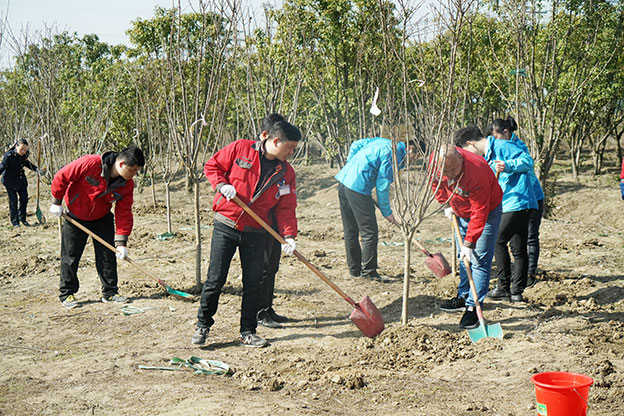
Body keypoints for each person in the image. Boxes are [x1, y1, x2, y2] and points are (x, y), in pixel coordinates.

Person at [192, 120, 301, 348]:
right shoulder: (240, 148)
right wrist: (222, 185)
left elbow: (286, 207)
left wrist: (289, 236)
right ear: (275, 140)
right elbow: (212, 166)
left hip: (256, 231)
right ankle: (203, 325)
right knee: (215, 279)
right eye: (290, 147)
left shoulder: (286, 173)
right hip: (226, 224)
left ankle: (248, 331)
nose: (292, 152)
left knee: (253, 283)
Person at [49, 146, 145, 309]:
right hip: (75, 217)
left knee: (106, 255)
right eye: (133, 170)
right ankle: (67, 293)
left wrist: (121, 242)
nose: (134, 174)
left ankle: (110, 292)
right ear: (122, 164)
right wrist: (56, 201)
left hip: (102, 218)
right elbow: (62, 176)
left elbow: (124, 212)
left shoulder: (127, 185)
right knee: (71, 256)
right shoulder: (90, 164)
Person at [433, 128, 502, 330]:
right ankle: (463, 297)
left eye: (454, 171)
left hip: (487, 212)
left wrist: (470, 242)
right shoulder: (435, 165)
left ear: (461, 158)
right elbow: (435, 183)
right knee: (463, 259)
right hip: (459, 211)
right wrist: (446, 204)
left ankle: (473, 308)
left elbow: (480, 212)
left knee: (478, 258)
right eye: (446, 173)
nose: (451, 176)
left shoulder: (477, 170)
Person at [335, 137, 416, 280]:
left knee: (351, 230)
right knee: (369, 232)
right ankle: (369, 273)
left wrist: (351, 165)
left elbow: (356, 144)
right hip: (358, 187)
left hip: (344, 180)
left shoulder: (383, 141)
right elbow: (382, 185)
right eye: (417, 155)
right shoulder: (394, 153)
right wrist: (387, 212)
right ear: (410, 149)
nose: (415, 160)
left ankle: (354, 270)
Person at [483, 118, 538, 303]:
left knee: (498, 240)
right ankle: (516, 292)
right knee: (518, 248)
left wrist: (508, 166)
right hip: (514, 201)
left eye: (496, 135)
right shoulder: (493, 149)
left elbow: (527, 161)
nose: (495, 139)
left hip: (520, 200)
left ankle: (504, 286)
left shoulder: (507, 145)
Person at [256, 113, 291, 329]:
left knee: (273, 267)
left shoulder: (283, 167)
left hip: (274, 223)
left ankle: (268, 308)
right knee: (263, 268)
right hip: (259, 225)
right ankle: (259, 312)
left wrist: (289, 234)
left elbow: (287, 201)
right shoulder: (257, 161)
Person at [0, 139, 42, 228]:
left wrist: (37, 169)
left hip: (21, 180)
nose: (23, 151)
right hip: (10, 181)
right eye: (22, 149)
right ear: (16, 146)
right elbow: (2, 166)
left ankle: (22, 218)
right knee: (13, 201)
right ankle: (15, 222)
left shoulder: (25, 155)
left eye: (25, 149)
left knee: (24, 199)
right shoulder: (9, 156)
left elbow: (27, 163)